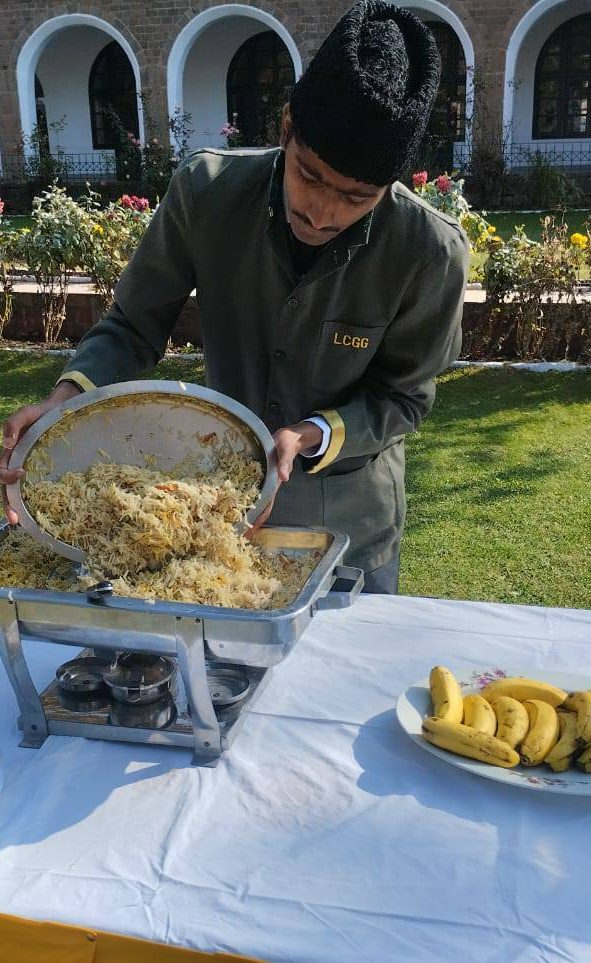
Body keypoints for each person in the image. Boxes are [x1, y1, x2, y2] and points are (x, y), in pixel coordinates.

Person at [0, 1, 469, 594]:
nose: (322, 213)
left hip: (348, 527)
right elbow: (133, 325)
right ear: (286, 128)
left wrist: (309, 433)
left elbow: (403, 397)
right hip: (214, 519)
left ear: (390, 186)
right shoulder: (207, 192)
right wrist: (63, 402)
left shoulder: (429, 251)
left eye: (357, 198)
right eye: (310, 175)